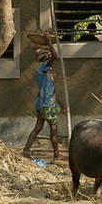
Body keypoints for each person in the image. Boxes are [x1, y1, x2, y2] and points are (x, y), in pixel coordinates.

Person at [22, 31, 66, 160]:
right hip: (47, 104)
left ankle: (26, 151)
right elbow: (56, 55)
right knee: (53, 127)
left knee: (38, 127)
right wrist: (49, 41)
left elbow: (48, 89)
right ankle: (57, 154)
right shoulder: (43, 67)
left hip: (43, 102)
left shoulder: (45, 70)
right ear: (45, 58)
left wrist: (60, 102)